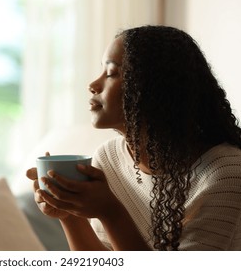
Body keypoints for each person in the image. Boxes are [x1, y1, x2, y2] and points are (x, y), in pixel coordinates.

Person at [26, 25, 241, 251]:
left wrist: (110, 212)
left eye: (111, 73)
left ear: (153, 87)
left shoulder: (226, 172)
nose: (93, 85)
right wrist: (69, 213)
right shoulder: (109, 157)